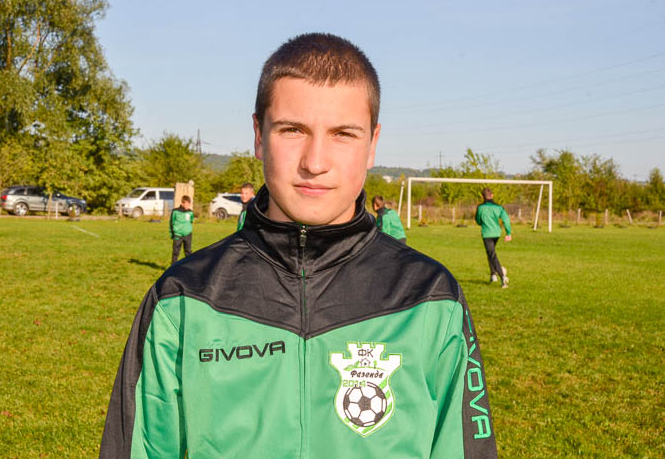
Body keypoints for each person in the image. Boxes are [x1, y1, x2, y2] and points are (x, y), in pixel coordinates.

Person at [100, 33, 497, 459]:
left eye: (343, 134)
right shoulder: (182, 299)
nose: (315, 161)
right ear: (258, 134)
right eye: (292, 130)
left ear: (372, 144)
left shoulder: (430, 296)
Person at [474, 188, 511, 288]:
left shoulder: (480, 207)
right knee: (490, 253)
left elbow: (478, 220)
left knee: (492, 255)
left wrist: (482, 222)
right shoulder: (499, 207)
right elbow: (506, 220)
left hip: (487, 234)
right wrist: (508, 233)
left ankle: (503, 278)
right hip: (497, 233)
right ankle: (493, 275)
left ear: (482, 197)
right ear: (492, 195)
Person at [169, 195, 194, 264]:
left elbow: (191, 221)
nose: (188, 206)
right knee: (176, 251)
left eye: (189, 204)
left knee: (188, 251)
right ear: (182, 203)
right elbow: (171, 222)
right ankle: (173, 267)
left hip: (188, 234)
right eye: (187, 204)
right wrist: (172, 234)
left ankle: (189, 266)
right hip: (178, 235)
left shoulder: (190, 212)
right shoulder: (175, 211)